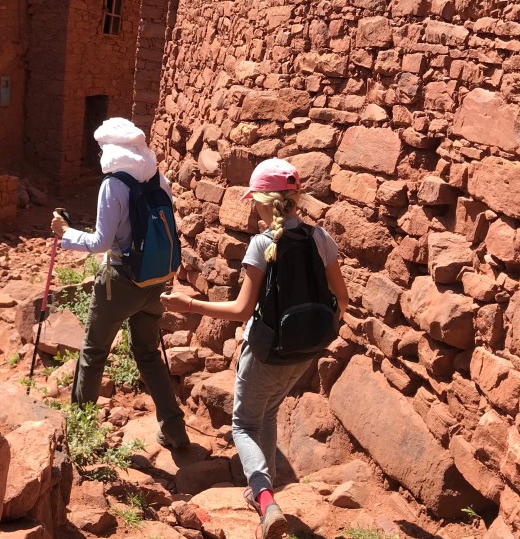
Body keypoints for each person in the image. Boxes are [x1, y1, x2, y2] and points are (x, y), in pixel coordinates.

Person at [161, 158, 349, 539]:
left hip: (267, 350)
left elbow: (241, 310)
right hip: (307, 350)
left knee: (244, 424)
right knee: (270, 410)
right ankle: (267, 488)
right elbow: (341, 300)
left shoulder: (263, 244)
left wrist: (189, 305)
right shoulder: (320, 238)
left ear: (261, 201)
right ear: (295, 199)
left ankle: (265, 499)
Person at [50, 117, 189, 449]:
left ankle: (81, 435)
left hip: (120, 282)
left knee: (94, 352)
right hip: (155, 281)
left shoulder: (113, 185)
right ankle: (174, 427)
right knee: (148, 353)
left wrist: (64, 234)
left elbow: (101, 242)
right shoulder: (159, 179)